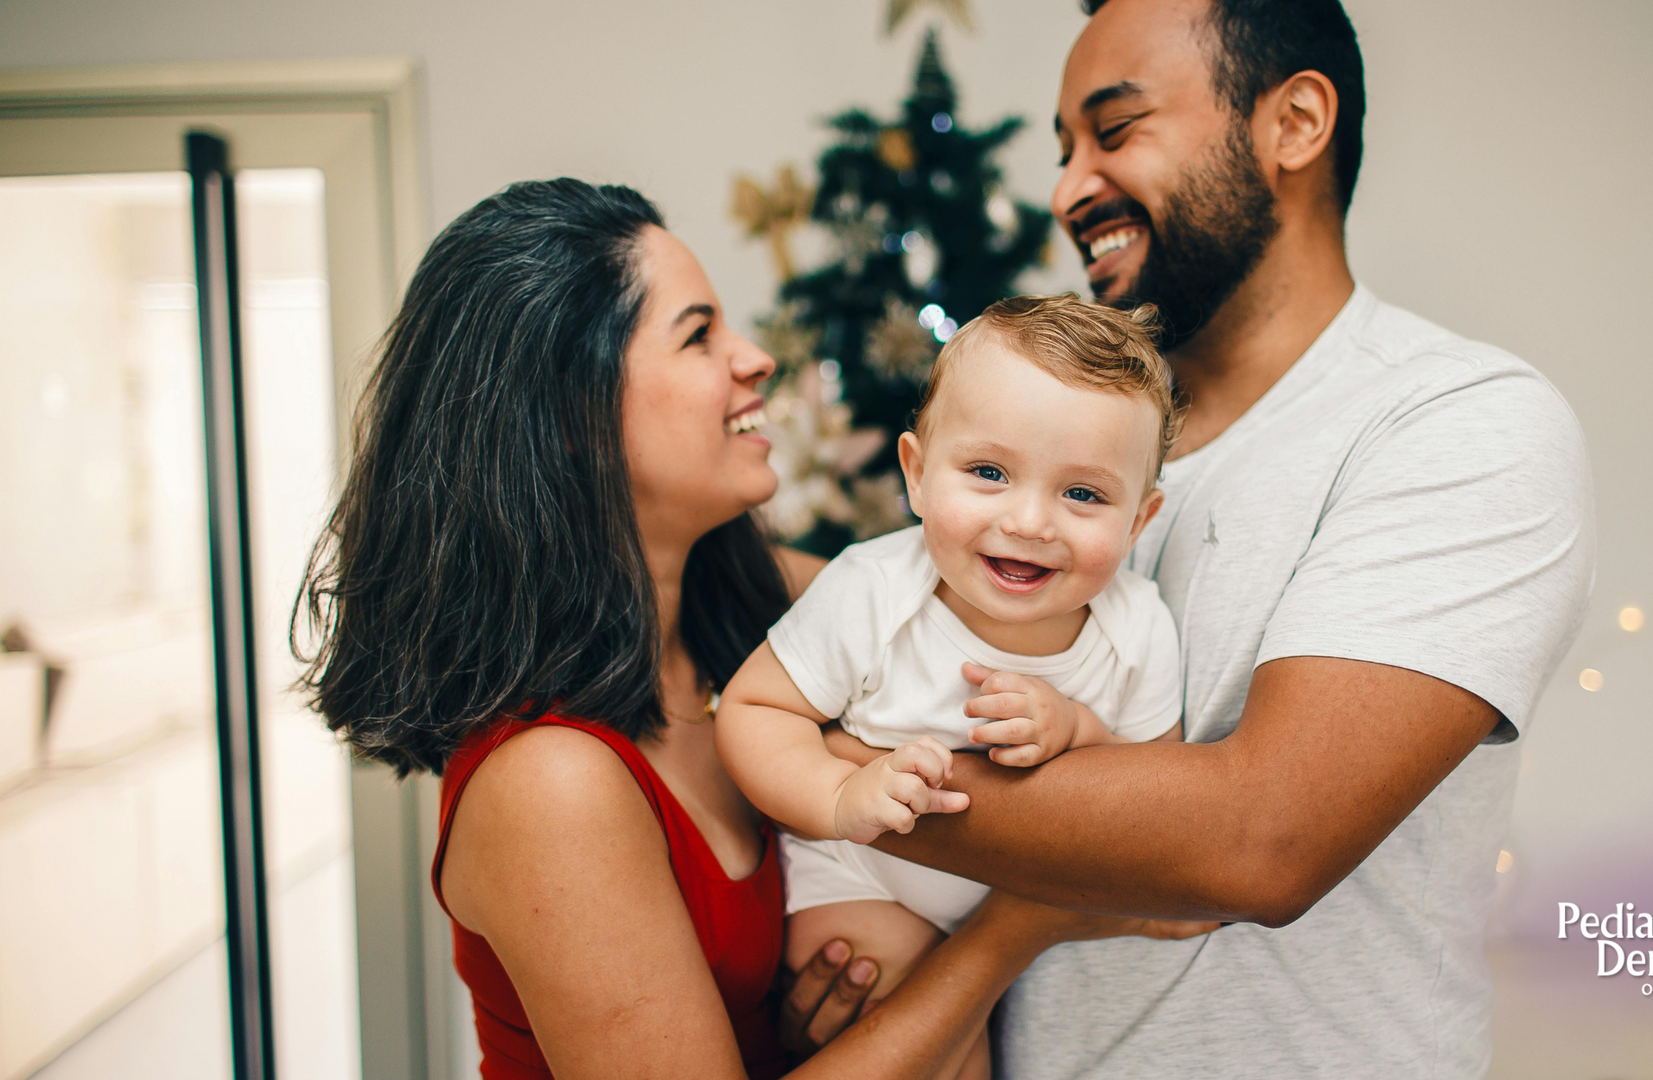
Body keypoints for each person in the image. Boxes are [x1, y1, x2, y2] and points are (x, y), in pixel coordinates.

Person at [816, 1, 1597, 1076]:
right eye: (1063, 150)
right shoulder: (1067, 454)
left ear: (1296, 122)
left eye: (1116, 130)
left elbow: (1259, 840)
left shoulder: (1458, 420)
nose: (1067, 189)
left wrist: (824, 761)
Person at [295, 178, 1213, 1080]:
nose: (756, 358)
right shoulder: (550, 782)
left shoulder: (754, 604)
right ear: (574, 415)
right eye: (698, 335)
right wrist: (1022, 923)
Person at [716, 296, 1188, 1080]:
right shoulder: (873, 588)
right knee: (938, 1036)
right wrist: (839, 794)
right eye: (989, 473)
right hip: (862, 883)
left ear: (1139, 522)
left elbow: (1161, 790)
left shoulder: (1136, 628)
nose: (1031, 520)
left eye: (1083, 494)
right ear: (917, 474)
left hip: (1006, 911)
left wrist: (1076, 729)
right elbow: (756, 710)